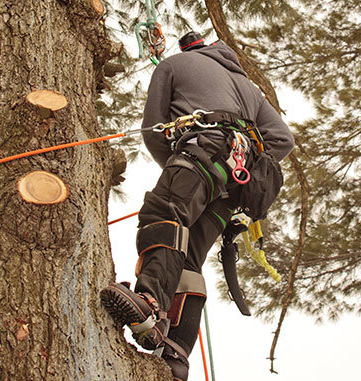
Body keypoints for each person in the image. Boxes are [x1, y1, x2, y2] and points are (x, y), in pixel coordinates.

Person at [100, 31, 294, 381]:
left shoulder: (175, 64)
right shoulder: (248, 88)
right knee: (188, 256)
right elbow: (283, 139)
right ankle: (176, 353)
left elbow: (151, 129)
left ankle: (149, 303)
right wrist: (250, 166)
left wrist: (180, 166)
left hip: (202, 148)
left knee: (165, 212)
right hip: (236, 185)